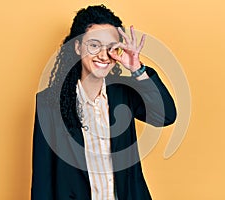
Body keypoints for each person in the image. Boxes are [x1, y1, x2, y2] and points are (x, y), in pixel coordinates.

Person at [31, 4, 176, 200]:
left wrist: (137, 69)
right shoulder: (49, 103)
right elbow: (42, 180)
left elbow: (165, 115)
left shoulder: (124, 93)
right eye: (94, 45)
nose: (103, 55)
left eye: (111, 48)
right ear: (77, 46)